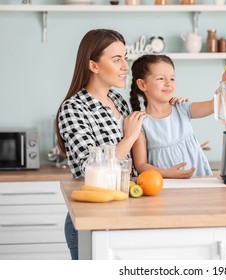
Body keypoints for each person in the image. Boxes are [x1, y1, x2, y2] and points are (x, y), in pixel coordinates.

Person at [55, 29, 146, 260]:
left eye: (125, 58)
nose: (125, 66)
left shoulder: (118, 100)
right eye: (117, 60)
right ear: (94, 66)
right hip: (92, 217)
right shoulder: (73, 109)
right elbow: (90, 168)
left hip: (126, 209)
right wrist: (129, 138)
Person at [129, 54, 226, 178]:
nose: (168, 83)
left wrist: (225, 83)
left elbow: (214, 105)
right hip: (166, 187)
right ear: (142, 85)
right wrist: (168, 173)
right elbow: (141, 165)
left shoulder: (182, 108)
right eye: (160, 78)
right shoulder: (141, 123)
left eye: (172, 79)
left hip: (199, 181)